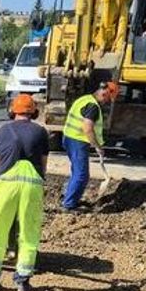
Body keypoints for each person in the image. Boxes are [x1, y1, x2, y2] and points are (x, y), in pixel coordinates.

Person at [0, 93, 49, 291]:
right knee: (29, 231)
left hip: (6, 184)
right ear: (34, 112)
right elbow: (43, 163)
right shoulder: (41, 132)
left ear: (13, 111)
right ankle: (23, 282)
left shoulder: (4, 130)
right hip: (32, 186)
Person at [60, 81, 120, 212]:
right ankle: (69, 204)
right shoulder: (93, 106)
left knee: (76, 171)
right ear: (105, 93)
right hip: (77, 141)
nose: (107, 102)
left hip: (69, 138)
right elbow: (87, 128)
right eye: (108, 99)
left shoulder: (84, 99)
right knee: (82, 175)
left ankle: (69, 197)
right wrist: (97, 146)